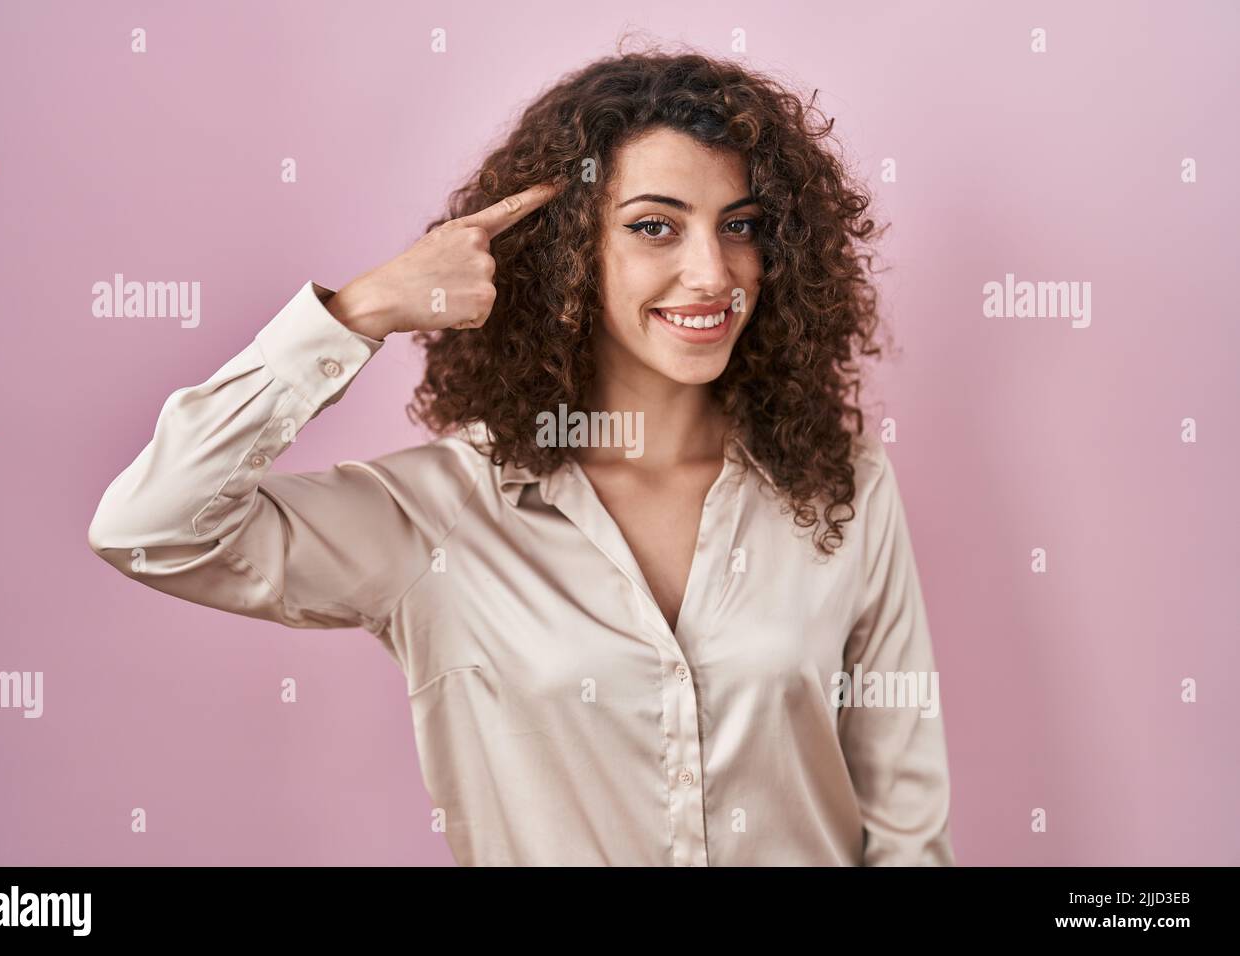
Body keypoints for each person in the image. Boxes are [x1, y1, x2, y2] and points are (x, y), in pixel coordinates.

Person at [87, 48, 955, 866]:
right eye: (655, 226)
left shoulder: (842, 483)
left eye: (741, 226)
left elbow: (905, 813)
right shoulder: (438, 515)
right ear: (567, 251)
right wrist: (359, 313)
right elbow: (151, 528)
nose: (711, 272)